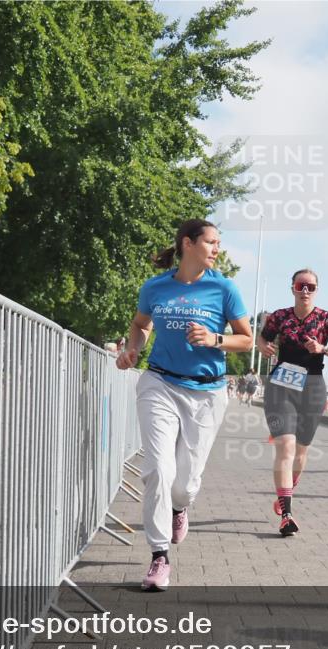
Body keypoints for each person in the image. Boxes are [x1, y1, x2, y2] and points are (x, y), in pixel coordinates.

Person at [116, 219, 252, 590]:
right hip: (159, 382)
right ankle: (159, 557)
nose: (217, 249)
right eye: (212, 242)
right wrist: (133, 350)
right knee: (158, 468)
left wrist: (214, 338)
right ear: (188, 244)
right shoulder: (155, 287)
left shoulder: (223, 288)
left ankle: (180, 508)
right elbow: (141, 325)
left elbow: (247, 340)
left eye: (219, 243)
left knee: (185, 482)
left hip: (207, 393)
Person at [257, 269, 328, 536]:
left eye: (311, 286)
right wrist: (262, 345)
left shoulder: (326, 319)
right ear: (293, 288)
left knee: (300, 452)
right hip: (282, 385)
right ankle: (287, 515)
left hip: (312, 386)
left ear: (316, 290)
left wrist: (324, 349)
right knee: (285, 447)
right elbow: (263, 336)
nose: (306, 290)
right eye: (301, 285)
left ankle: (287, 489)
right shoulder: (279, 317)